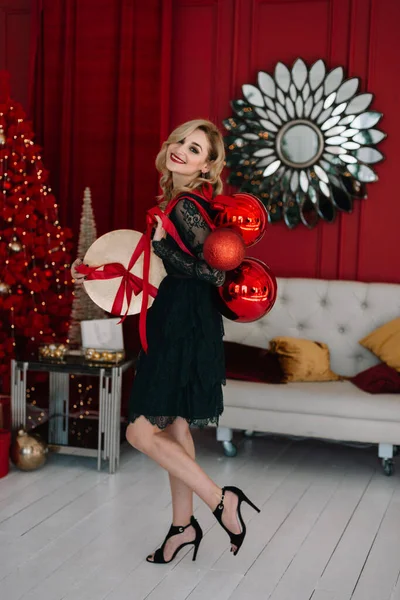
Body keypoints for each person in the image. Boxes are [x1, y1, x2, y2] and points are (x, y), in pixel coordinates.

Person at [71, 119, 259, 565]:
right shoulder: (177, 203)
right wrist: (93, 271)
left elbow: (215, 272)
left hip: (182, 331)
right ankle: (181, 527)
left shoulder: (187, 207)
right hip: (173, 323)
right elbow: (156, 271)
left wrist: (163, 249)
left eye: (195, 149)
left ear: (208, 165)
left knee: (139, 431)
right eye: (181, 141)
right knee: (175, 427)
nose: (181, 150)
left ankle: (220, 500)